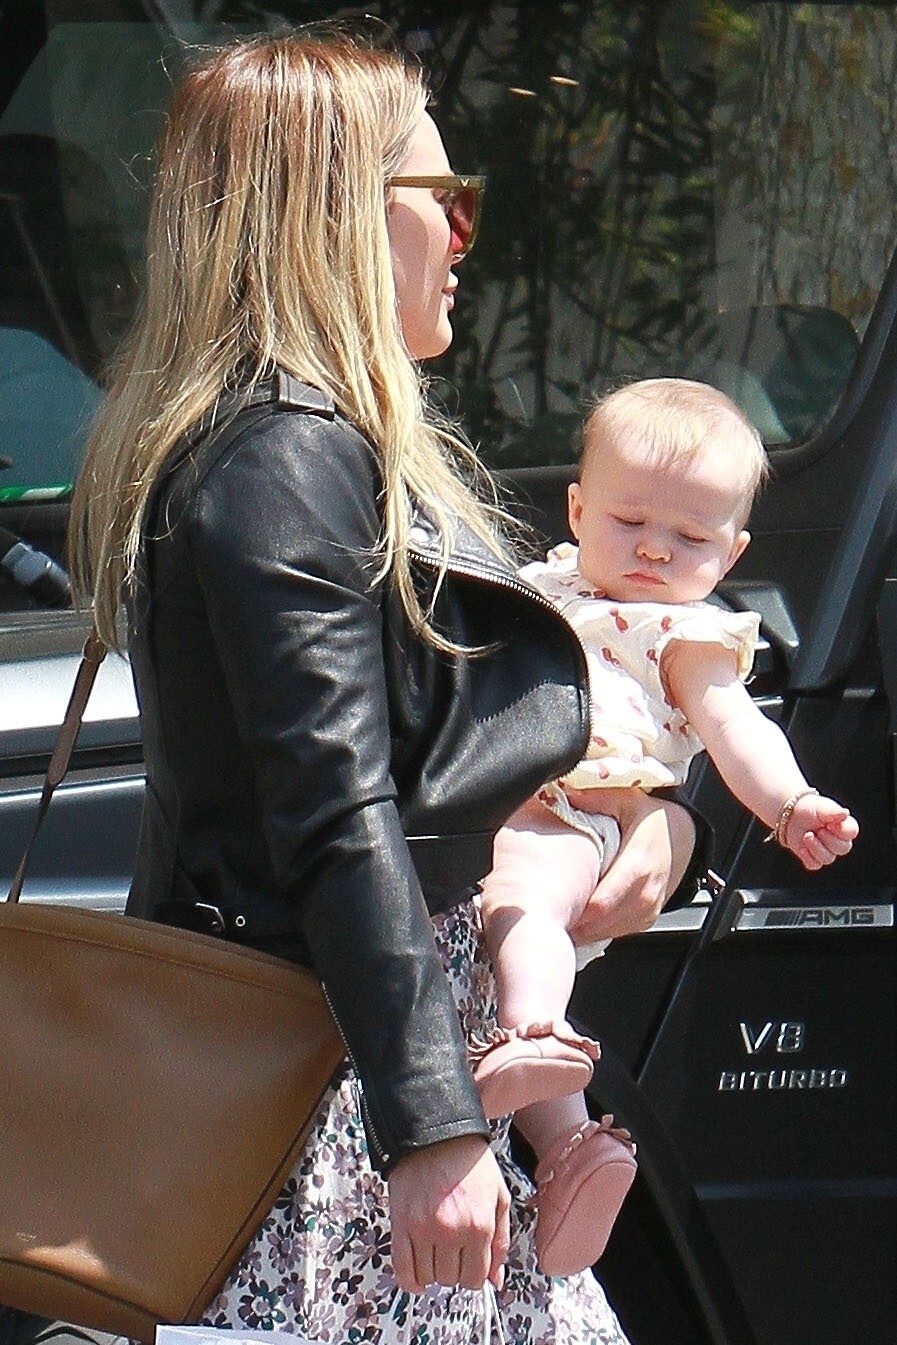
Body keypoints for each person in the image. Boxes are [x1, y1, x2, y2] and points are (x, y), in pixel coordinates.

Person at [67, 32, 704, 1343]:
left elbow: (428, 767)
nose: (466, 238)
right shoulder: (283, 454)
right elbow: (334, 810)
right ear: (338, 218)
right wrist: (431, 1127)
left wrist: (650, 820)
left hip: (360, 1085)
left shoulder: (298, 443)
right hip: (325, 1106)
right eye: (445, 200)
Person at [474, 377, 859, 1277]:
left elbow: (735, 729)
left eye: (689, 538)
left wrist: (788, 803)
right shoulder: (542, 586)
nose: (653, 548)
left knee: (520, 900)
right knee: (497, 955)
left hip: (580, 806)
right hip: (504, 796)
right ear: (576, 510)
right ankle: (573, 1150)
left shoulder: (679, 632)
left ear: (731, 553)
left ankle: (536, 1035)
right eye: (628, 520)